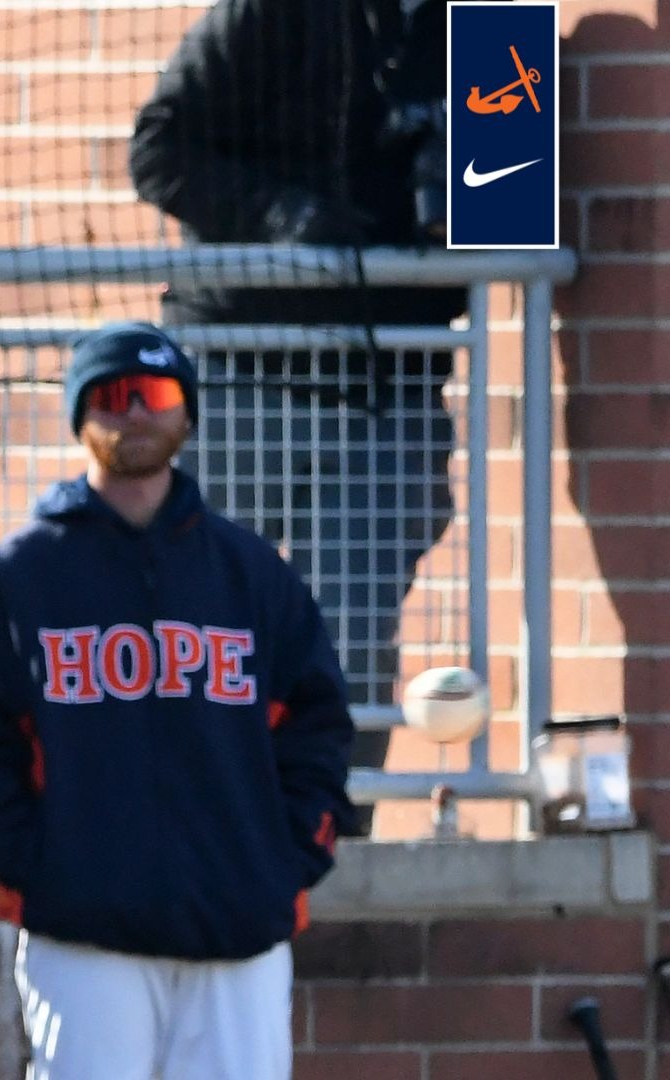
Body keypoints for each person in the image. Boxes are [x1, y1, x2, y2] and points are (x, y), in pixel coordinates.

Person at [0, 323, 353, 1079]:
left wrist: (283, 860)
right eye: (113, 397)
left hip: (238, 929)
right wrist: (36, 865)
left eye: (155, 396)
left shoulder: (250, 573)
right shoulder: (23, 575)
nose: (135, 414)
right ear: (81, 417)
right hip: (82, 935)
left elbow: (317, 725)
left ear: (186, 414)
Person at [129, 0, 465, 834]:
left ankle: (326, 834)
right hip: (241, 363)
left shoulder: (486, 31)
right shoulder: (265, 12)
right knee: (200, 620)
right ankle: (185, 826)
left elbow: (511, 219)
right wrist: (285, 222)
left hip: (390, 376)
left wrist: (460, 189)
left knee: (350, 633)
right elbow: (158, 150)